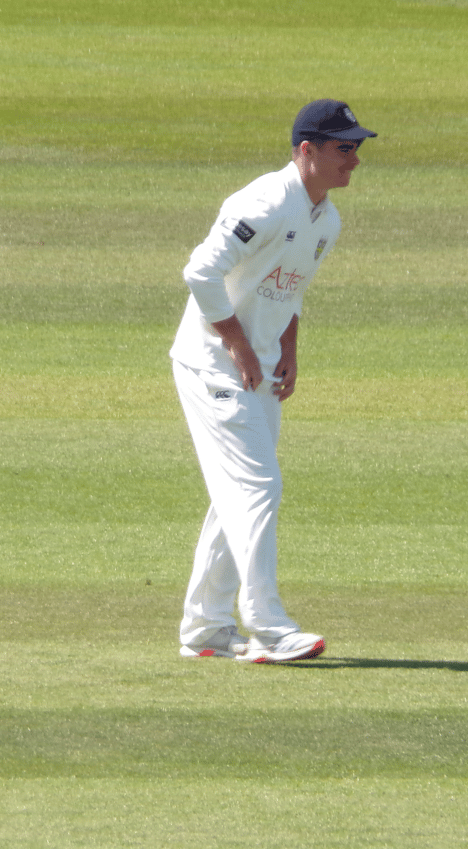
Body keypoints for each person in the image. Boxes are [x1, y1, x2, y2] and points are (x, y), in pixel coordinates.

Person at [170, 99, 377, 663]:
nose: (353, 162)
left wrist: (288, 348)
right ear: (305, 151)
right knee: (259, 488)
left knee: (236, 497)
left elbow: (289, 289)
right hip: (214, 365)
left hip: (258, 368)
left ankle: (206, 630)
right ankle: (267, 624)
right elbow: (200, 271)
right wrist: (236, 342)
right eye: (343, 149)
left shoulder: (325, 220)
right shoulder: (263, 202)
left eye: (356, 149)